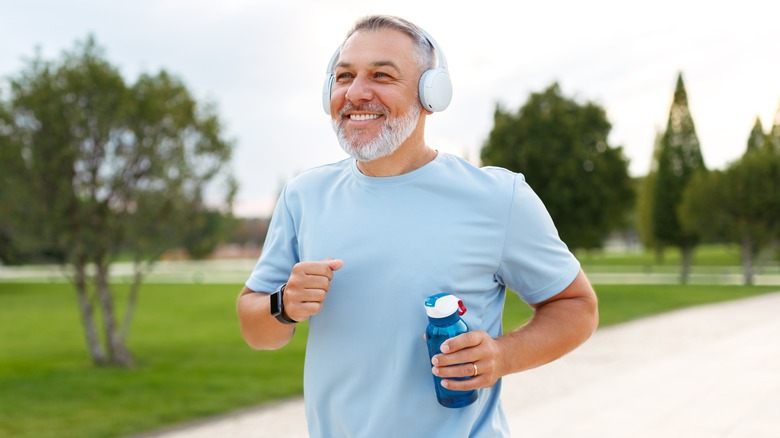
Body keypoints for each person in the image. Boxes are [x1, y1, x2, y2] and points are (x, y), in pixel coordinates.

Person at [237, 14, 598, 437]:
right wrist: (283, 304)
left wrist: (501, 356)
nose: (356, 92)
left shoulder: (499, 198)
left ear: (431, 92)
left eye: (381, 76)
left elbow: (577, 308)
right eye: (344, 76)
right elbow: (256, 330)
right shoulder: (303, 196)